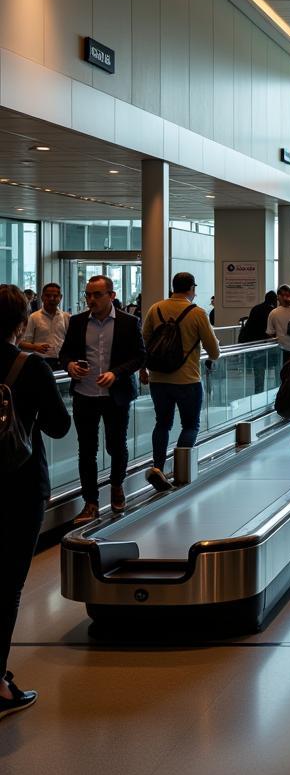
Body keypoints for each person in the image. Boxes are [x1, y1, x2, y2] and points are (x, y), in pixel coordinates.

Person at [1, 285, 71, 720]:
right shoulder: (27, 366)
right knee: (6, 584)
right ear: (21, 323)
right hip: (18, 485)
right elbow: (60, 426)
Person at [58, 275, 146, 522]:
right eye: (88, 294)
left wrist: (115, 373)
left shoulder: (129, 323)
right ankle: (90, 502)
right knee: (86, 450)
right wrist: (70, 366)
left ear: (112, 296)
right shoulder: (76, 322)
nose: (91, 299)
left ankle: (117, 486)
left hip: (115, 395)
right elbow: (64, 353)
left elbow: (140, 356)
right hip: (84, 394)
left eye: (96, 295)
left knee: (116, 446)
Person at [141, 272, 221, 493]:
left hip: (158, 379)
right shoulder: (197, 313)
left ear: (173, 286)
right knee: (190, 425)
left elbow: (144, 341)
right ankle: (180, 469)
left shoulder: (155, 309)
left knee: (162, 423)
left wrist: (143, 369)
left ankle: (158, 467)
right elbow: (213, 351)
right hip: (187, 379)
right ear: (191, 289)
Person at [19, 282, 68, 368]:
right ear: (42, 297)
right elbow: (21, 343)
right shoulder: (34, 317)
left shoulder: (66, 317)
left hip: (62, 362)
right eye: (48, 296)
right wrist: (35, 347)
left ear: (60, 298)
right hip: (40, 362)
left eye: (55, 296)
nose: (51, 299)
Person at [238, 290, 277, 394]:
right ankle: (277, 394)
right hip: (270, 346)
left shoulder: (256, 308)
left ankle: (258, 395)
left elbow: (249, 327)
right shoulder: (273, 311)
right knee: (278, 372)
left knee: (259, 374)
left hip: (256, 346)